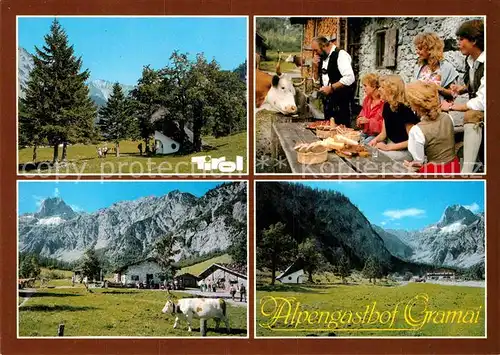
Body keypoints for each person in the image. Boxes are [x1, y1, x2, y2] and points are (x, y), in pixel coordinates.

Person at [441, 19, 485, 174]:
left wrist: (452, 107)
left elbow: (482, 101)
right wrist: (461, 89)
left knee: (471, 114)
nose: (458, 43)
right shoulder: (470, 60)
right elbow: (476, 84)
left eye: (461, 39)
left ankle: (466, 171)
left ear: (473, 40)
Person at [405, 81, 461, 173]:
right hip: (454, 167)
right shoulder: (448, 117)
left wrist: (410, 166)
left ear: (415, 106)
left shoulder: (417, 131)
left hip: (434, 172)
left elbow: (419, 162)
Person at [368, 75, 420, 161]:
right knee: (370, 154)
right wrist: (374, 141)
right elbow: (383, 134)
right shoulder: (386, 106)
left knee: (377, 158)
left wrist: (388, 147)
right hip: (391, 146)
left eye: (383, 87)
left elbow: (413, 140)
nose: (379, 89)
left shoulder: (405, 109)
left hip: (406, 151)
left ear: (392, 90)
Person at [311, 35, 356, 127]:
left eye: (316, 50)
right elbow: (317, 80)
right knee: (328, 131)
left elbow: (350, 77)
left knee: (341, 131)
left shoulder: (341, 55)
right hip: (328, 104)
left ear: (324, 46)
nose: (315, 53)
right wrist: (315, 67)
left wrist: (331, 88)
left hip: (342, 103)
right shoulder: (323, 57)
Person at [413, 32, 459, 100]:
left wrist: (438, 89)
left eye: (420, 49)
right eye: (416, 49)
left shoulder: (446, 68)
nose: (417, 52)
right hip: (419, 108)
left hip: (438, 108)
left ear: (430, 49)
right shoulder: (419, 67)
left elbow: (454, 93)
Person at [356, 73, 384, 144]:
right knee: (352, 142)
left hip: (378, 136)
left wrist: (369, 121)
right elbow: (362, 114)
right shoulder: (367, 99)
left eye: (365, 86)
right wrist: (359, 120)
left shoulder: (384, 102)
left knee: (364, 146)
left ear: (374, 86)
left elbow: (385, 127)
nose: (363, 88)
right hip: (366, 133)